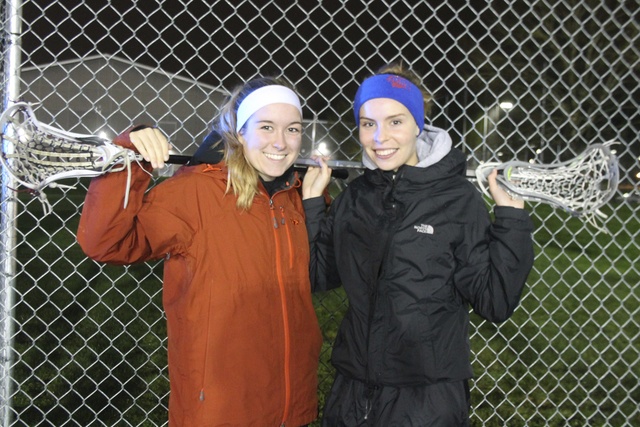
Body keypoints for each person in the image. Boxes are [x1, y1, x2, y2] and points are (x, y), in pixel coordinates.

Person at [77, 77, 322, 427]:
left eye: (293, 129)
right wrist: (128, 159)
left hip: (291, 405)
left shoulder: (296, 195)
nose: (281, 143)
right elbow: (105, 242)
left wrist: (316, 203)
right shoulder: (198, 191)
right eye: (266, 127)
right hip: (221, 409)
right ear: (239, 133)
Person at [302, 63, 535, 426]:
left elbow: (496, 301)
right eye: (368, 124)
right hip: (353, 393)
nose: (380, 138)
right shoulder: (357, 197)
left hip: (427, 397)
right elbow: (319, 275)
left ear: (418, 123)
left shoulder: (455, 199)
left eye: (395, 121)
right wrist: (315, 204)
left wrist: (513, 221)